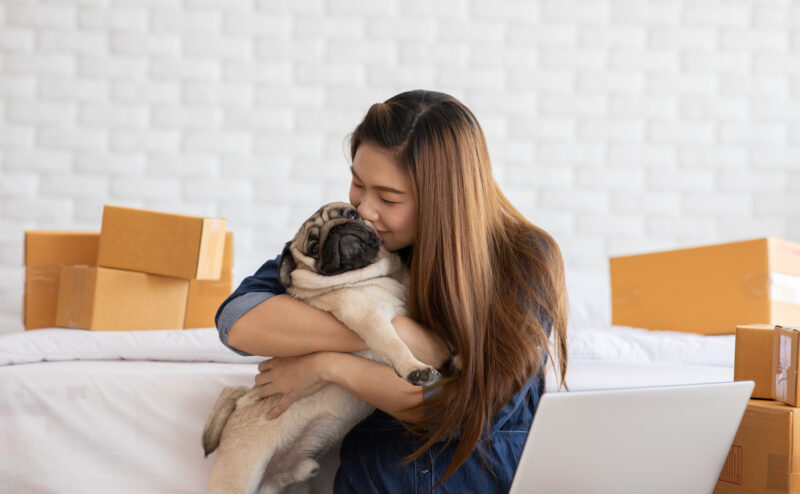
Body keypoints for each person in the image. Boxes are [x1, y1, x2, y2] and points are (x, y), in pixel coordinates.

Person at [215, 89, 568, 492]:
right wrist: (395, 334)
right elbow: (238, 320)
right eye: (357, 183)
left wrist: (330, 366)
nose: (364, 209)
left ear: (444, 200)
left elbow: (468, 412)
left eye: (388, 197)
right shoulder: (353, 242)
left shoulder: (523, 259)